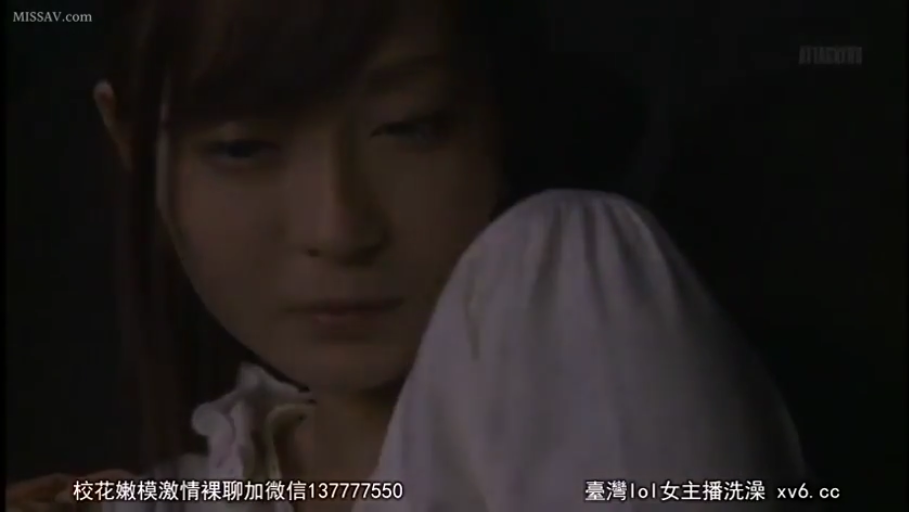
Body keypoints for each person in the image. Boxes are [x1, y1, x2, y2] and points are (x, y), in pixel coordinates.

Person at [6, 0, 805, 510]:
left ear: (494, 115)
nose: (339, 227)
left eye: (410, 127)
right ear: (133, 145)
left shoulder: (569, 264)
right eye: (242, 147)